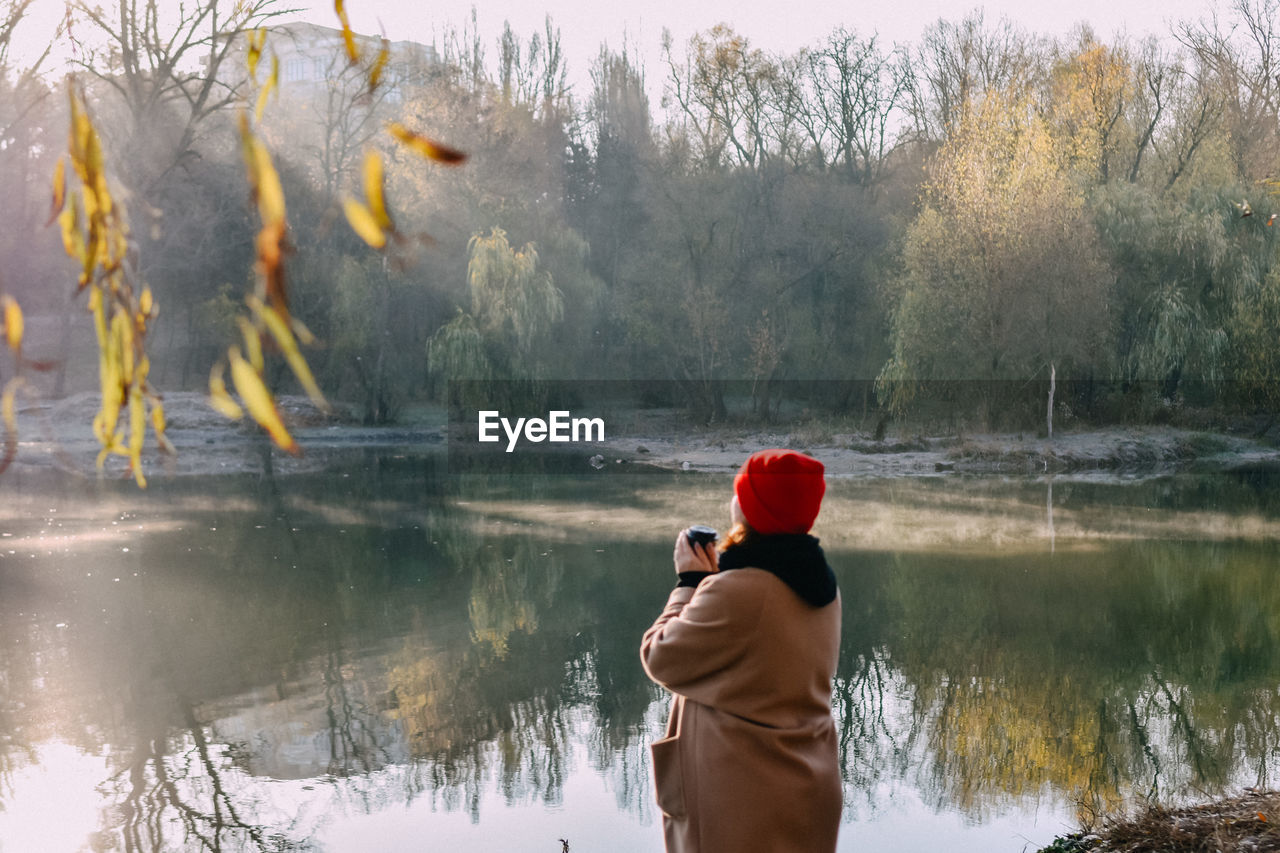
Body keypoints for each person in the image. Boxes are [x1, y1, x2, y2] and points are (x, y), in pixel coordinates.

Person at [640, 449, 842, 853]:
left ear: (752, 507)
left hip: (740, 796)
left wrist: (688, 583)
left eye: (741, 491)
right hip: (802, 781)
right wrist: (713, 579)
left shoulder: (739, 589)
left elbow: (660, 657)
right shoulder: (819, 581)